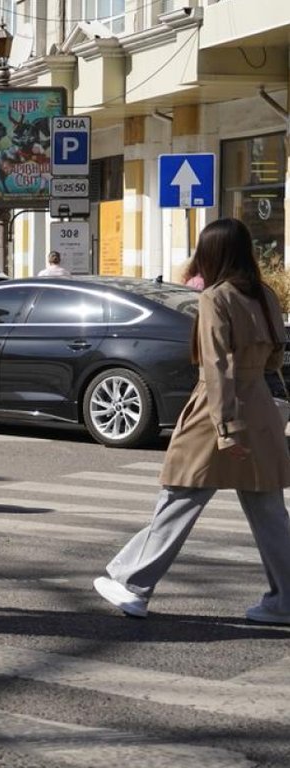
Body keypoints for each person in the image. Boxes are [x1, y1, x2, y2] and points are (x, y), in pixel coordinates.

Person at [93, 218, 290, 625]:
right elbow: (276, 357)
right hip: (261, 409)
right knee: (269, 512)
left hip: (217, 409)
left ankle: (133, 584)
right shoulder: (266, 295)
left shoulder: (217, 297)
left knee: (179, 496)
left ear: (211, 253)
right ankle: (285, 601)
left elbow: (217, 365)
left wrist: (225, 427)